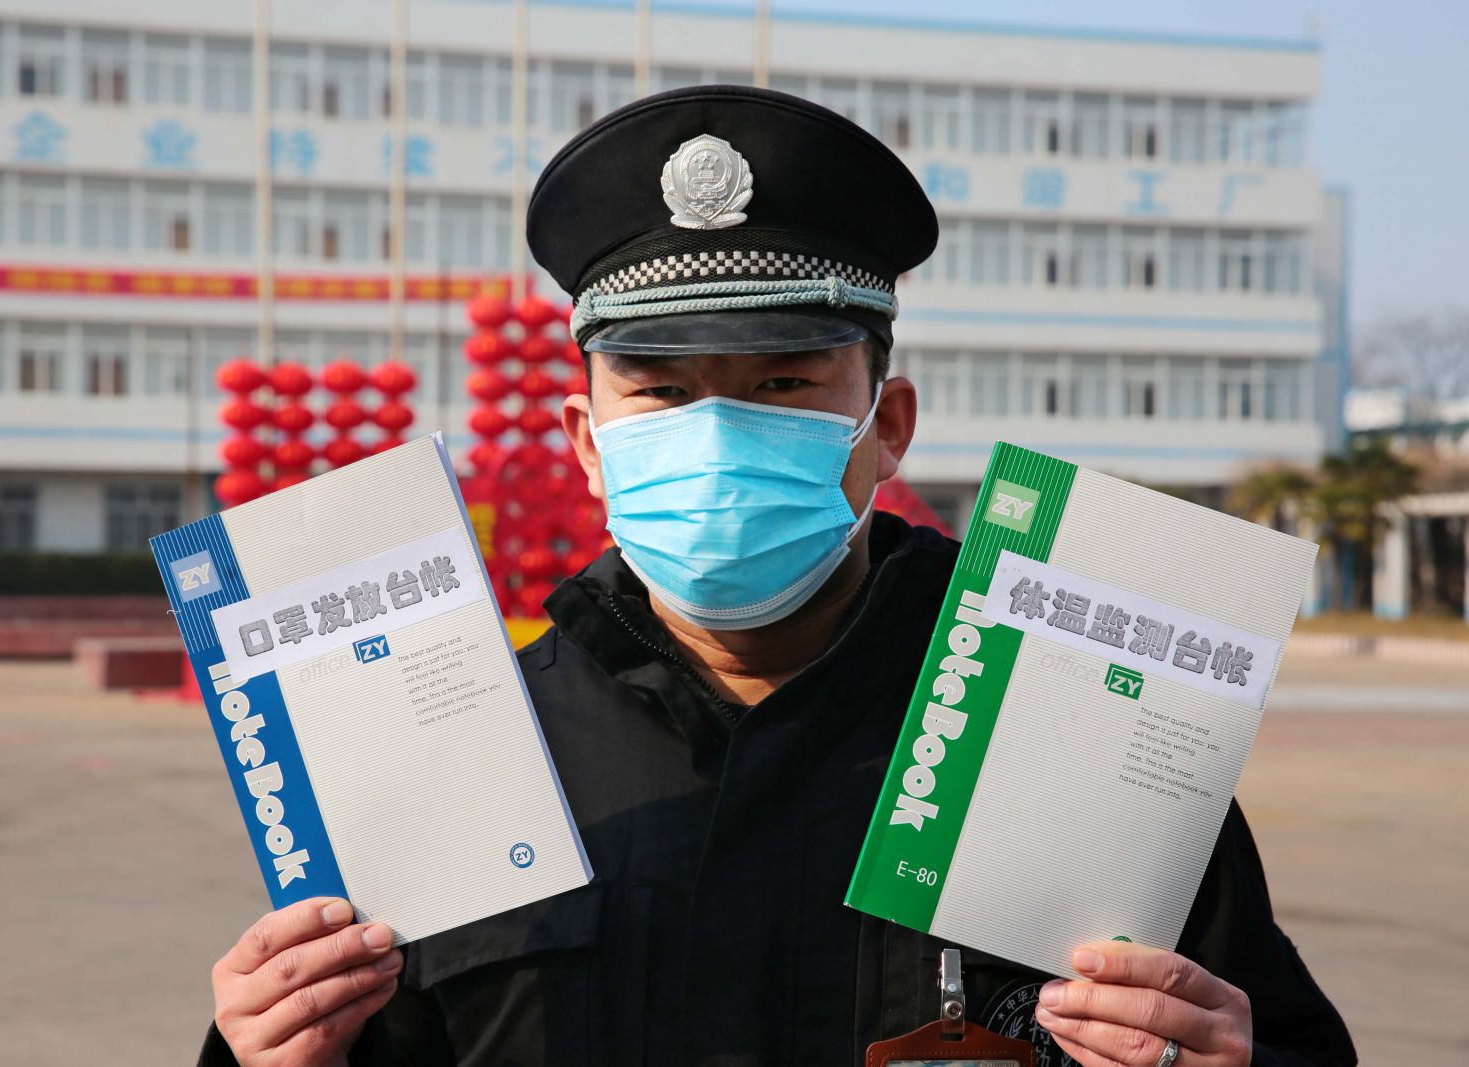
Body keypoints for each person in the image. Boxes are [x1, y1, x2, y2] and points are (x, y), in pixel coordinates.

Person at [197, 85, 1357, 1067]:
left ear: (886, 424)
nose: (716, 434)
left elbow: (1273, 1036)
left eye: (783, 384)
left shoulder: (1081, 727)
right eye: (659, 390)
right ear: (587, 440)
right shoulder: (457, 747)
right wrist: (267, 1050)